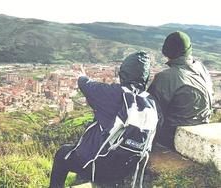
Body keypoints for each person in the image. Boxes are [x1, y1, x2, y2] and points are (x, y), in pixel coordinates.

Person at [49, 51, 155, 188]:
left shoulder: (114, 93)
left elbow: (87, 85)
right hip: (128, 169)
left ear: (123, 73)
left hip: (100, 168)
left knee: (62, 153)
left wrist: (82, 75)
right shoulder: (151, 103)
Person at [148, 31, 213, 150]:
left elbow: (150, 112)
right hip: (202, 130)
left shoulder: (166, 77)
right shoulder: (202, 69)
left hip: (171, 138)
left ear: (167, 52)